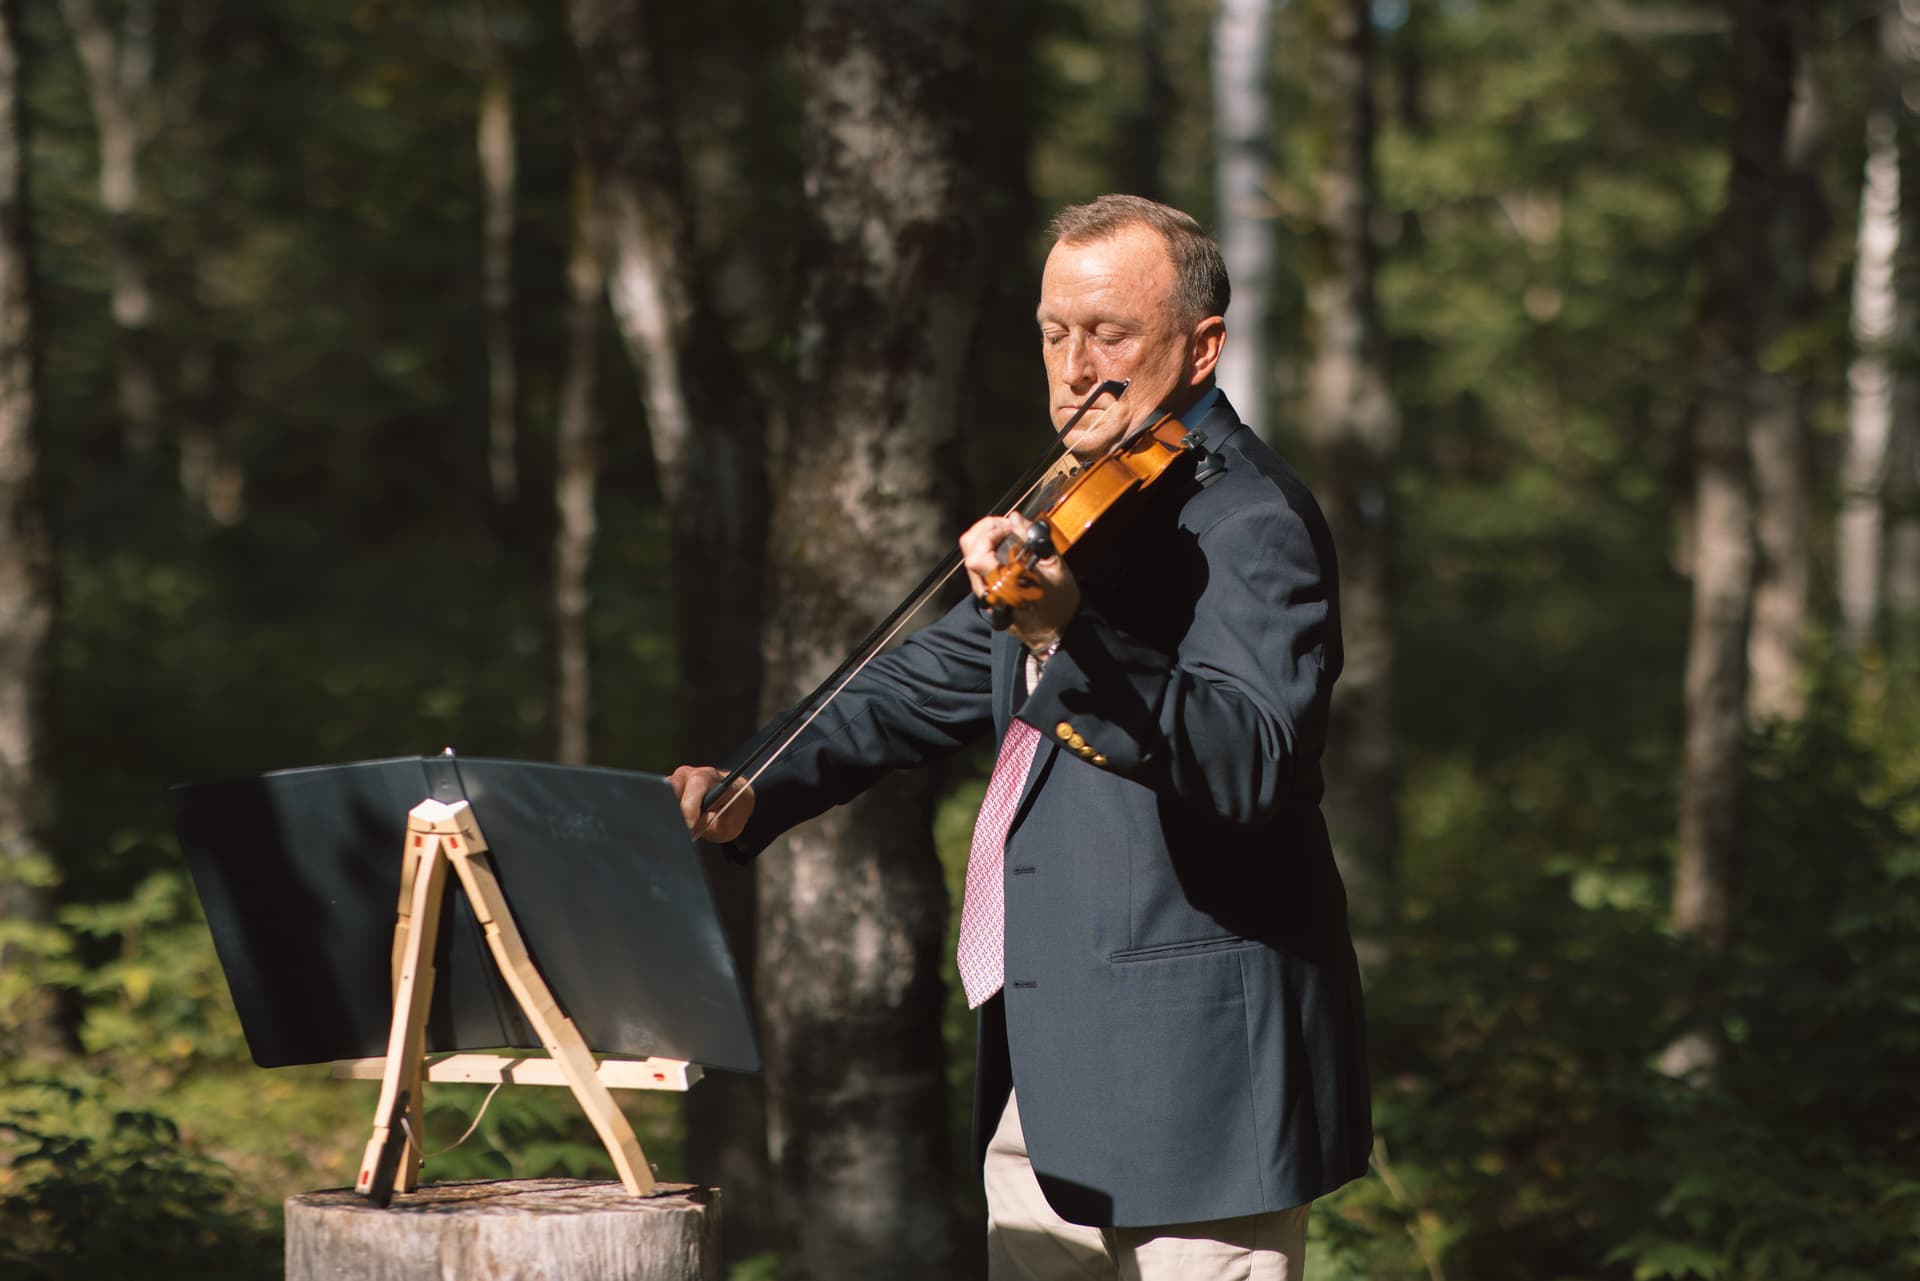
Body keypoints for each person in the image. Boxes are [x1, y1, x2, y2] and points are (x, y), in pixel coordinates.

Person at [670, 194, 1371, 1281]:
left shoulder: (1250, 520)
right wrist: (762, 783)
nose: (1076, 366)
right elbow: (923, 679)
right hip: (1046, 1072)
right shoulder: (1078, 505)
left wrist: (1070, 634)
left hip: (1196, 1096)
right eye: (1055, 332)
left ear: (1203, 347)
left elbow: (1252, 763)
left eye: (1112, 334)